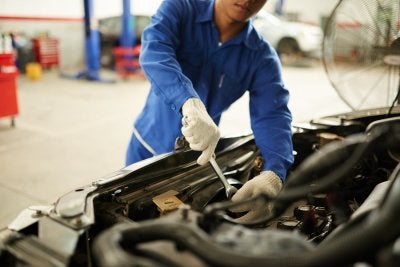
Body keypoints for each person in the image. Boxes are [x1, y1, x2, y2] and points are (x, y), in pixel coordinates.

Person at [125, 0, 294, 222]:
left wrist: (274, 174)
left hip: (196, 162)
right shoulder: (181, 8)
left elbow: (272, 115)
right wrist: (189, 102)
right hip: (146, 146)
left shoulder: (261, 57)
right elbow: (154, 51)